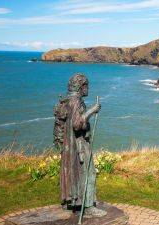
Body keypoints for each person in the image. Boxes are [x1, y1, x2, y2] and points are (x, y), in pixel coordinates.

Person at [54, 73, 106, 218]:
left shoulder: (66, 100)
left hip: (69, 145)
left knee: (73, 174)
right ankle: (89, 207)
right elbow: (77, 125)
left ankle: (70, 203)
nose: (88, 88)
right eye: (87, 85)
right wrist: (92, 111)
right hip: (79, 145)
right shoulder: (76, 102)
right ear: (81, 86)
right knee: (89, 172)